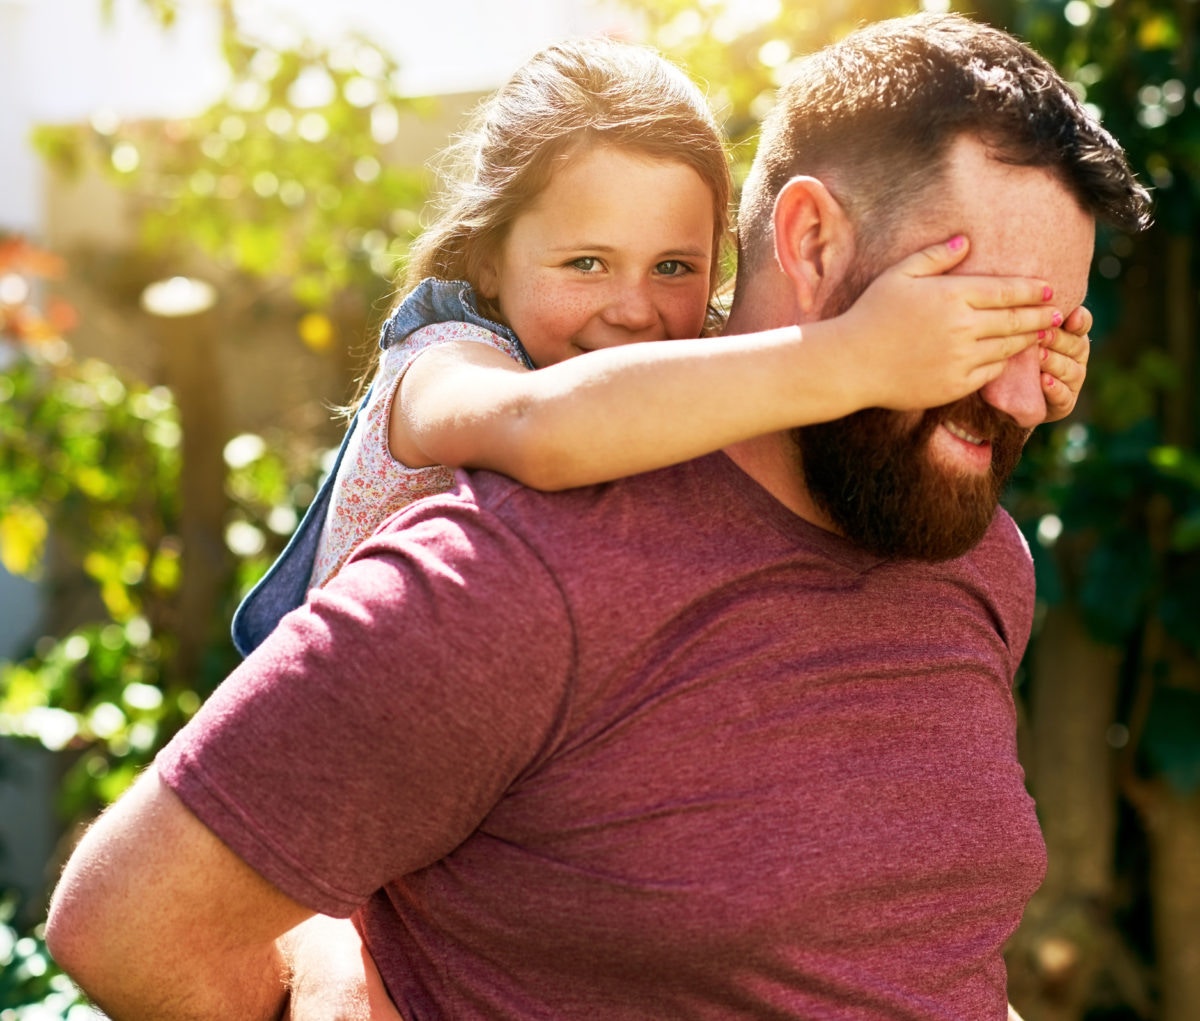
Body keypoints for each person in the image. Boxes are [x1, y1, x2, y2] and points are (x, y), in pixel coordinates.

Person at [45, 13, 1151, 1021]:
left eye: (1046, 335)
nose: (1025, 398)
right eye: (976, 319)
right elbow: (127, 925)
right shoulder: (516, 562)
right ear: (811, 248)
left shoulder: (968, 550)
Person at [230, 36, 1087, 655]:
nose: (634, 310)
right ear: (489, 257)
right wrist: (862, 352)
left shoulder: (684, 361)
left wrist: (1009, 371)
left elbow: (798, 413)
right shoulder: (443, 362)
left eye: (675, 265)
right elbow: (544, 428)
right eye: (587, 261)